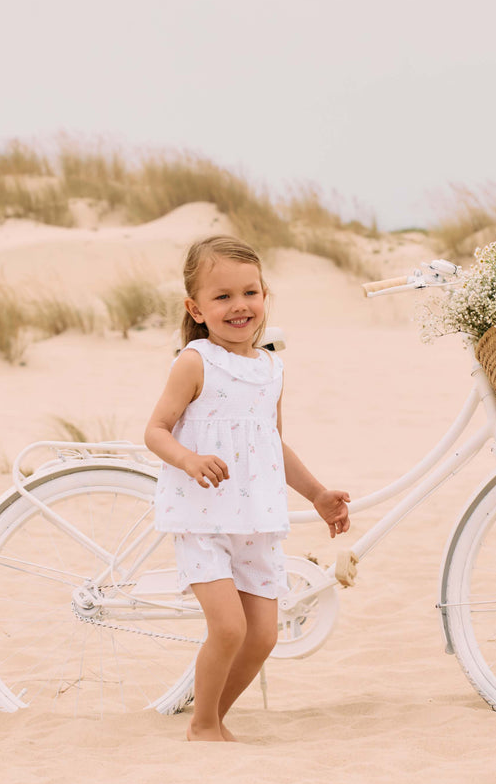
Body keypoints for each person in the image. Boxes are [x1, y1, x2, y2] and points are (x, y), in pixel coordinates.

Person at [145, 234, 351, 742]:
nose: (239, 306)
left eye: (250, 293)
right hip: (203, 518)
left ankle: (216, 716)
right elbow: (155, 430)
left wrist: (319, 495)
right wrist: (188, 459)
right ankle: (202, 725)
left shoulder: (272, 369)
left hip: (255, 519)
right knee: (230, 629)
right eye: (222, 297)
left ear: (265, 296)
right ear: (196, 308)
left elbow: (272, 444)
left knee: (262, 636)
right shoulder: (194, 362)